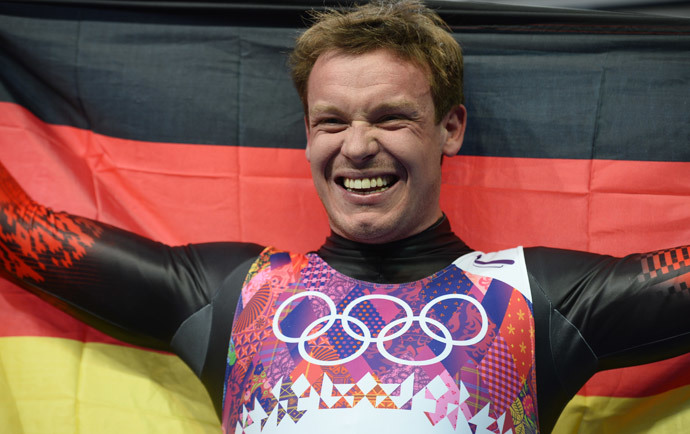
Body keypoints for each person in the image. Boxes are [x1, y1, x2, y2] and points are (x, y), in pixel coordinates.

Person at [1, 1, 689, 433]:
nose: (357, 146)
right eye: (331, 121)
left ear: (450, 129)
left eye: (390, 116)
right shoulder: (238, 295)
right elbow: (14, 232)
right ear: (307, 134)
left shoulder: (534, 299)